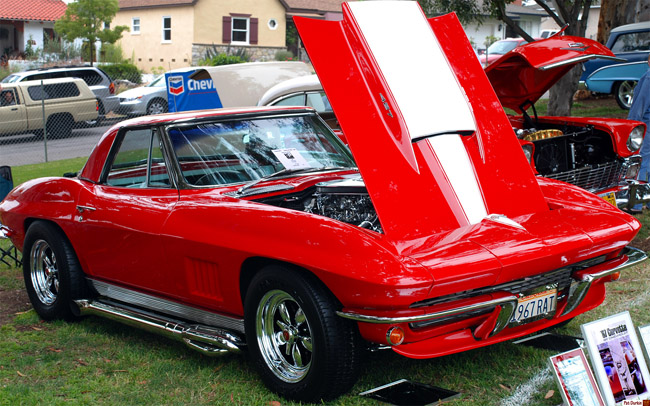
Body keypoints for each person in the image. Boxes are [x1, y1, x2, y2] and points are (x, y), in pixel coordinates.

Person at [628, 54, 650, 211]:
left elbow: (640, 104)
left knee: (640, 162)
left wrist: (631, 125)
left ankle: (636, 203)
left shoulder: (648, 78)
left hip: (646, 126)